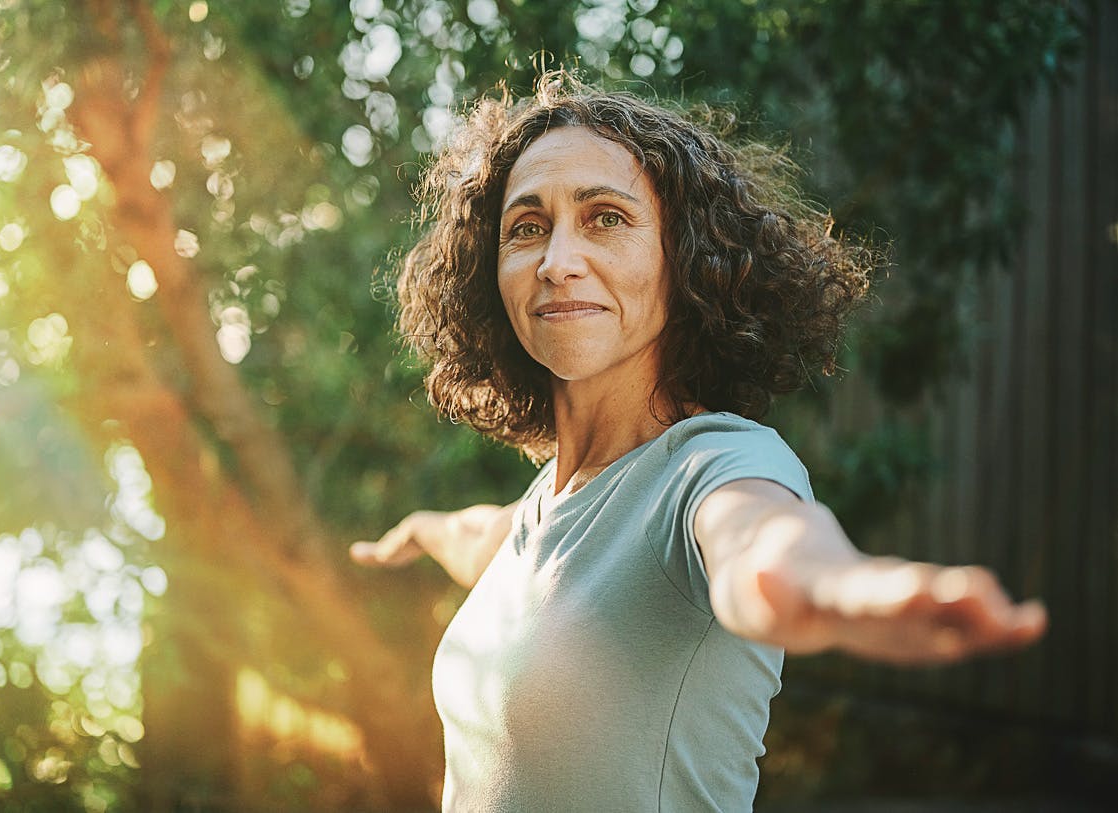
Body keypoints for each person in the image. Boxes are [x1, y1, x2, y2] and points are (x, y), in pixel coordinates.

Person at [350, 74, 1047, 812]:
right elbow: (475, 536)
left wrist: (837, 587)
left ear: (684, 259)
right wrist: (417, 533)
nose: (556, 259)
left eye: (605, 217)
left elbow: (763, 542)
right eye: (527, 227)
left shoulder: (714, 465)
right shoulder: (541, 507)